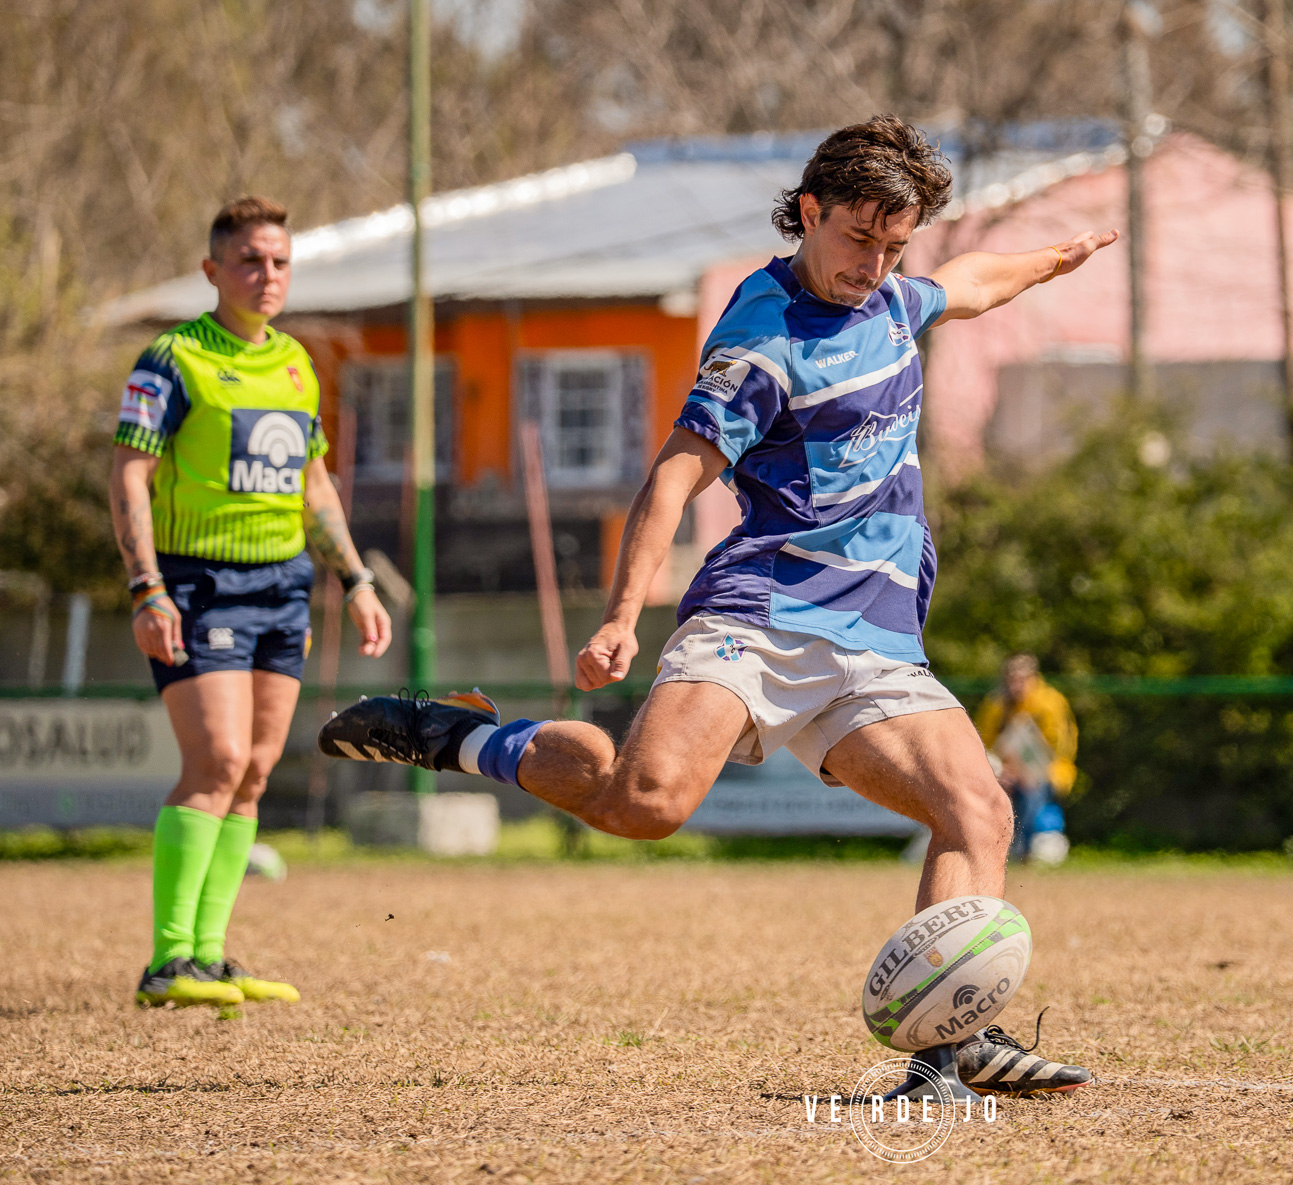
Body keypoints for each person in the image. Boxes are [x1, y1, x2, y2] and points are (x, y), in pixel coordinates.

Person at [320, 117, 1112, 1093]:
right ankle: (460, 737)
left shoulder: (897, 301)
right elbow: (671, 478)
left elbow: (975, 283)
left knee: (978, 811)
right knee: (644, 804)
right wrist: (619, 615)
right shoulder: (761, 338)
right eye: (859, 239)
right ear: (810, 212)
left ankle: (949, 1049)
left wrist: (1055, 257)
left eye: (894, 247)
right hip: (762, 618)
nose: (874, 264)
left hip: (876, 637)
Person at [112, 196, 392, 1008]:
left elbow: (313, 485)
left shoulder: (298, 363)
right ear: (212, 272)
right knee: (218, 761)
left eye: (278, 262)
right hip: (195, 582)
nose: (266, 275)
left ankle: (208, 955)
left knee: (257, 772)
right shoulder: (170, 360)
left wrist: (358, 579)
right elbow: (130, 473)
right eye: (248, 261)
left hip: (282, 587)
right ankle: (166, 961)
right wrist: (146, 586)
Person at [975, 654, 1078, 865]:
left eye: (1022, 680)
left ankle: (1022, 852)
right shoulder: (996, 704)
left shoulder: (1051, 703)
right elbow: (983, 743)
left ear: (1034, 678)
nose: (1016, 686)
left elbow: (1057, 750)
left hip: (1049, 771)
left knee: (1031, 790)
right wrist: (1002, 770)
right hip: (1006, 772)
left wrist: (1023, 771)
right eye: (1011, 680)